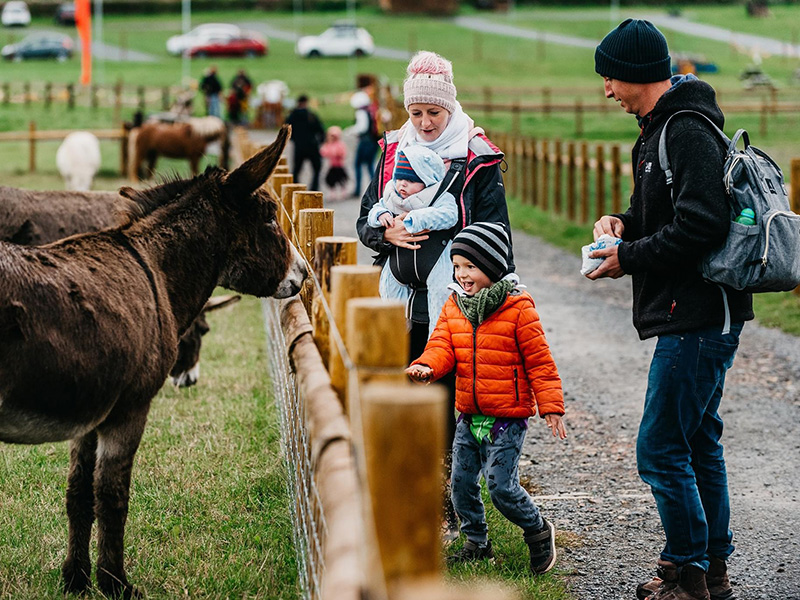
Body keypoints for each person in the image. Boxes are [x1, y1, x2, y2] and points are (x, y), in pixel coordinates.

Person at [587, 19, 754, 600]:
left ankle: (687, 574)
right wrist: (620, 226)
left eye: (610, 76)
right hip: (694, 312)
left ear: (634, 74)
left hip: (701, 314)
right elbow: (657, 214)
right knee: (698, 442)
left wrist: (627, 258)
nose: (606, 89)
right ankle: (711, 572)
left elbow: (702, 224)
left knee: (659, 447)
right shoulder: (657, 128)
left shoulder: (684, 129)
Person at [356, 50, 513, 542]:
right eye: (416, 112)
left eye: (434, 113)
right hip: (401, 302)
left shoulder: (477, 156)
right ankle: (405, 493)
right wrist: (388, 236)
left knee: (448, 402)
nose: (424, 123)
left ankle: (449, 499)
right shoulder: (391, 151)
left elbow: (497, 230)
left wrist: (456, 247)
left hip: (455, 300)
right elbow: (365, 219)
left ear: (451, 108)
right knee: (402, 390)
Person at [406, 222, 566, 573]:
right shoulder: (454, 305)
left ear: (493, 266)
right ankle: (476, 541)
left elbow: (540, 360)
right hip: (468, 415)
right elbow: (441, 346)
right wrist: (426, 368)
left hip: (506, 419)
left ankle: (538, 531)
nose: (462, 274)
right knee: (460, 486)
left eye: (470, 267)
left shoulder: (518, 309)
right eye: (458, 266)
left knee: (501, 489)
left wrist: (551, 404)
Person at [367, 145, 457, 332]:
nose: (402, 185)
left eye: (410, 180)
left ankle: (436, 341)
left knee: (441, 296)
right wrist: (380, 214)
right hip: (398, 263)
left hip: (433, 261)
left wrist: (416, 219)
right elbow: (373, 210)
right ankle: (396, 336)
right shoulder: (392, 196)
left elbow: (450, 215)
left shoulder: (439, 196)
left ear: (427, 180)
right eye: (399, 178)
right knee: (388, 292)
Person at [284, 95, 324, 191]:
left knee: (297, 169)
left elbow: (286, 130)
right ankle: (314, 188)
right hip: (312, 145)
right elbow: (320, 130)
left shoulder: (292, 116)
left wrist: (293, 139)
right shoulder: (311, 115)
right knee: (316, 168)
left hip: (299, 146)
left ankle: (295, 188)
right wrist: (320, 142)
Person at [350, 85, 380, 199]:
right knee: (370, 165)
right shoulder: (371, 110)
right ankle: (376, 189)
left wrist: (350, 131)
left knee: (358, 164)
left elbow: (361, 128)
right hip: (373, 141)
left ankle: (357, 189)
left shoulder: (361, 112)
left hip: (365, 141)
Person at [319, 125, 349, 200]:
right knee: (330, 180)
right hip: (332, 166)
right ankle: (333, 192)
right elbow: (323, 152)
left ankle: (343, 191)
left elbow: (343, 153)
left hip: (340, 166)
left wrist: (338, 153)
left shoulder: (340, 144)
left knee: (342, 180)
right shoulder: (328, 144)